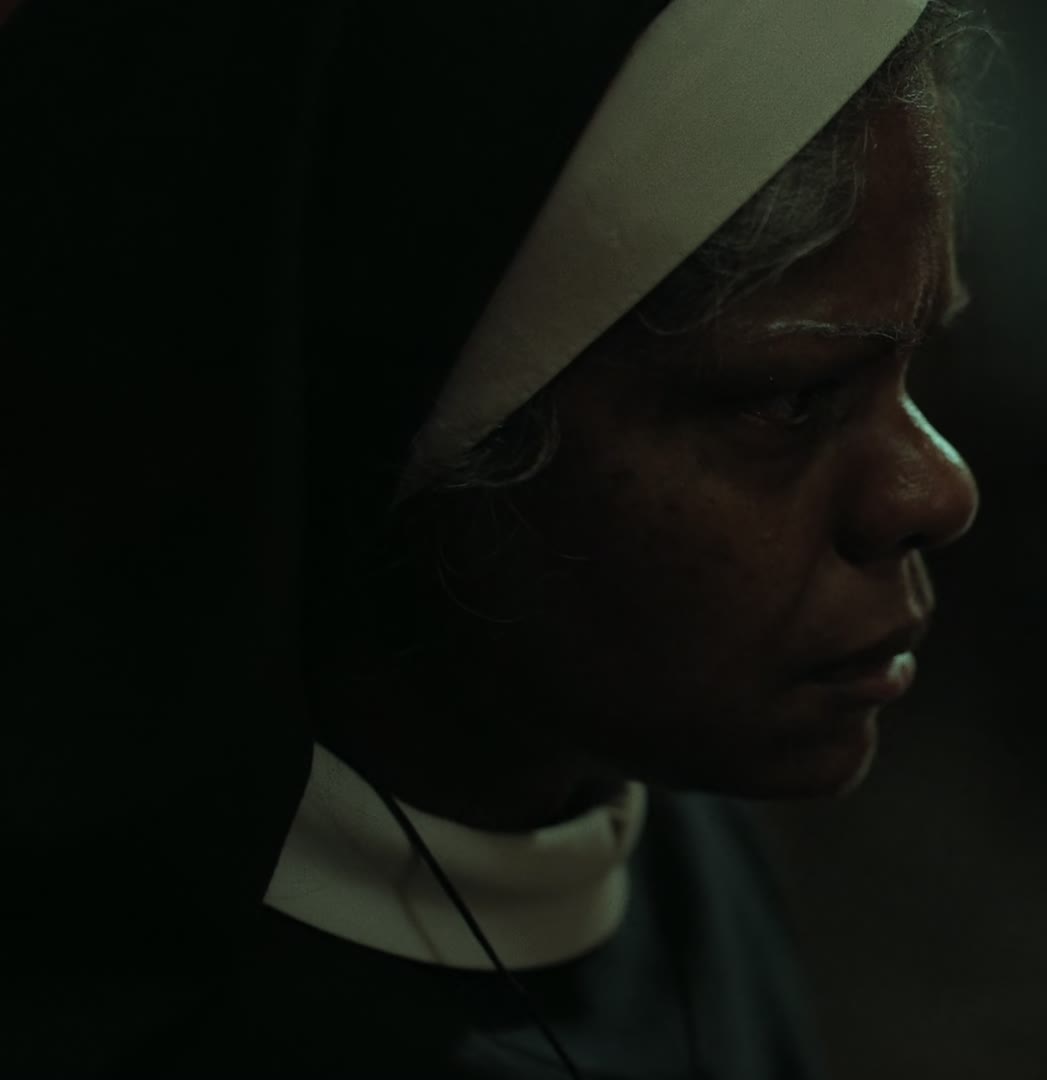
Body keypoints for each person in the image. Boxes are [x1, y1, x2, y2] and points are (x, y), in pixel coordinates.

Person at [0, 1, 991, 1076]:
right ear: (431, 427)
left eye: (914, 364)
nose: (939, 491)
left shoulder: (675, 838)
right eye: (791, 400)